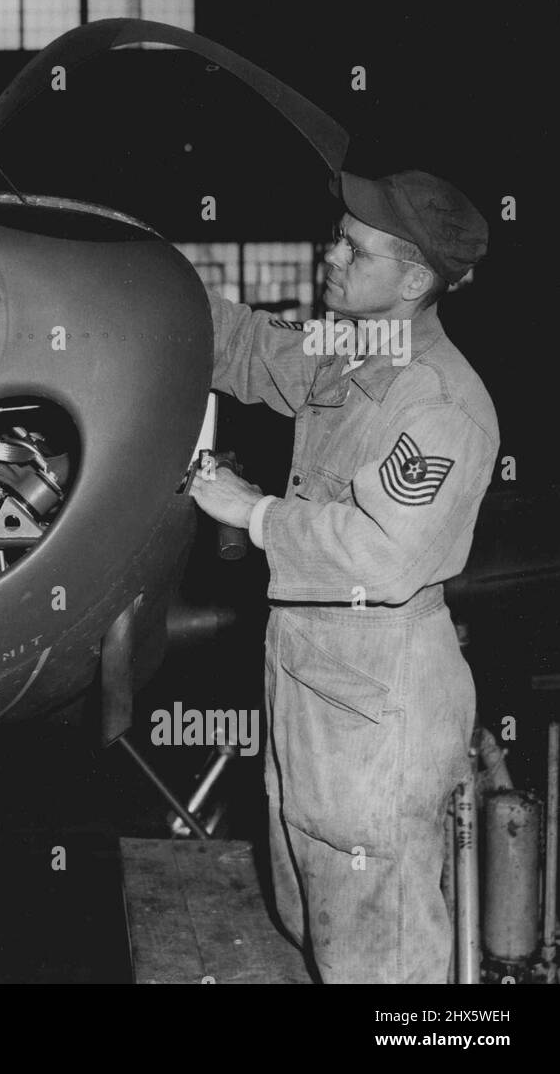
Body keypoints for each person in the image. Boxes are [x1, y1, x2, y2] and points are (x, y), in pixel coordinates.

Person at [190, 171, 496, 983]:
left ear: (415, 280)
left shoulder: (439, 403)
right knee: (311, 909)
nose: (330, 256)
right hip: (314, 666)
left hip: (378, 689)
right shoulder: (357, 348)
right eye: (336, 236)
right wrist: (155, 280)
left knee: (377, 947)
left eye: (353, 249)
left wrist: (249, 512)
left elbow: (380, 552)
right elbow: (251, 350)